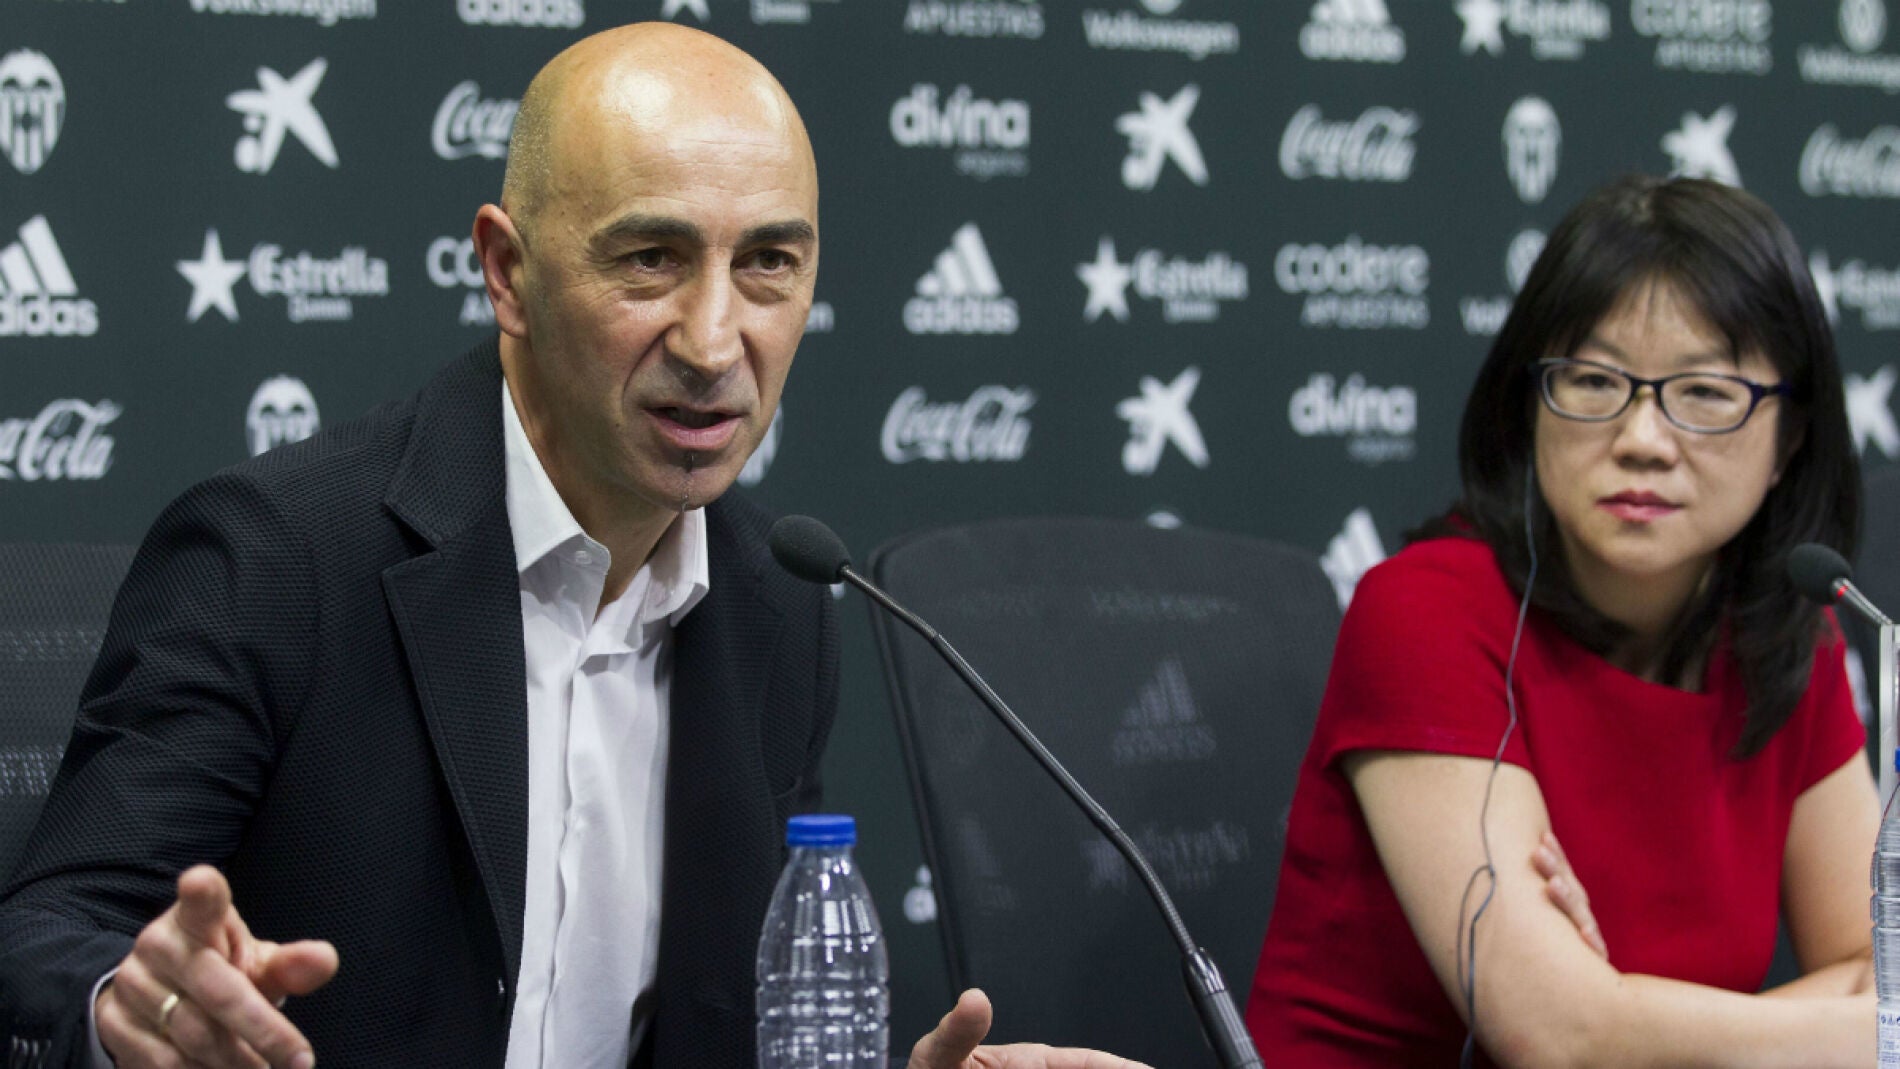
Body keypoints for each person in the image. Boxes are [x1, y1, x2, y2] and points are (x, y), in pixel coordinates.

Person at [0, 24, 1147, 1069]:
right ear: (508, 272)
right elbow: (48, 932)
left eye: (767, 263)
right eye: (649, 258)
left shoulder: (778, 602)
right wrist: (128, 1007)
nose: (714, 342)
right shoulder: (277, 556)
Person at [1246, 175, 1878, 1067]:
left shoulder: (1783, 638)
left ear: (1791, 438)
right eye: (1593, 380)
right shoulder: (1425, 611)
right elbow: (1559, 1034)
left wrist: (1624, 1016)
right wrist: (1859, 1034)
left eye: (1704, 392)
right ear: (1529, 403)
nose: (1644, 439)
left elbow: (1874, 964)